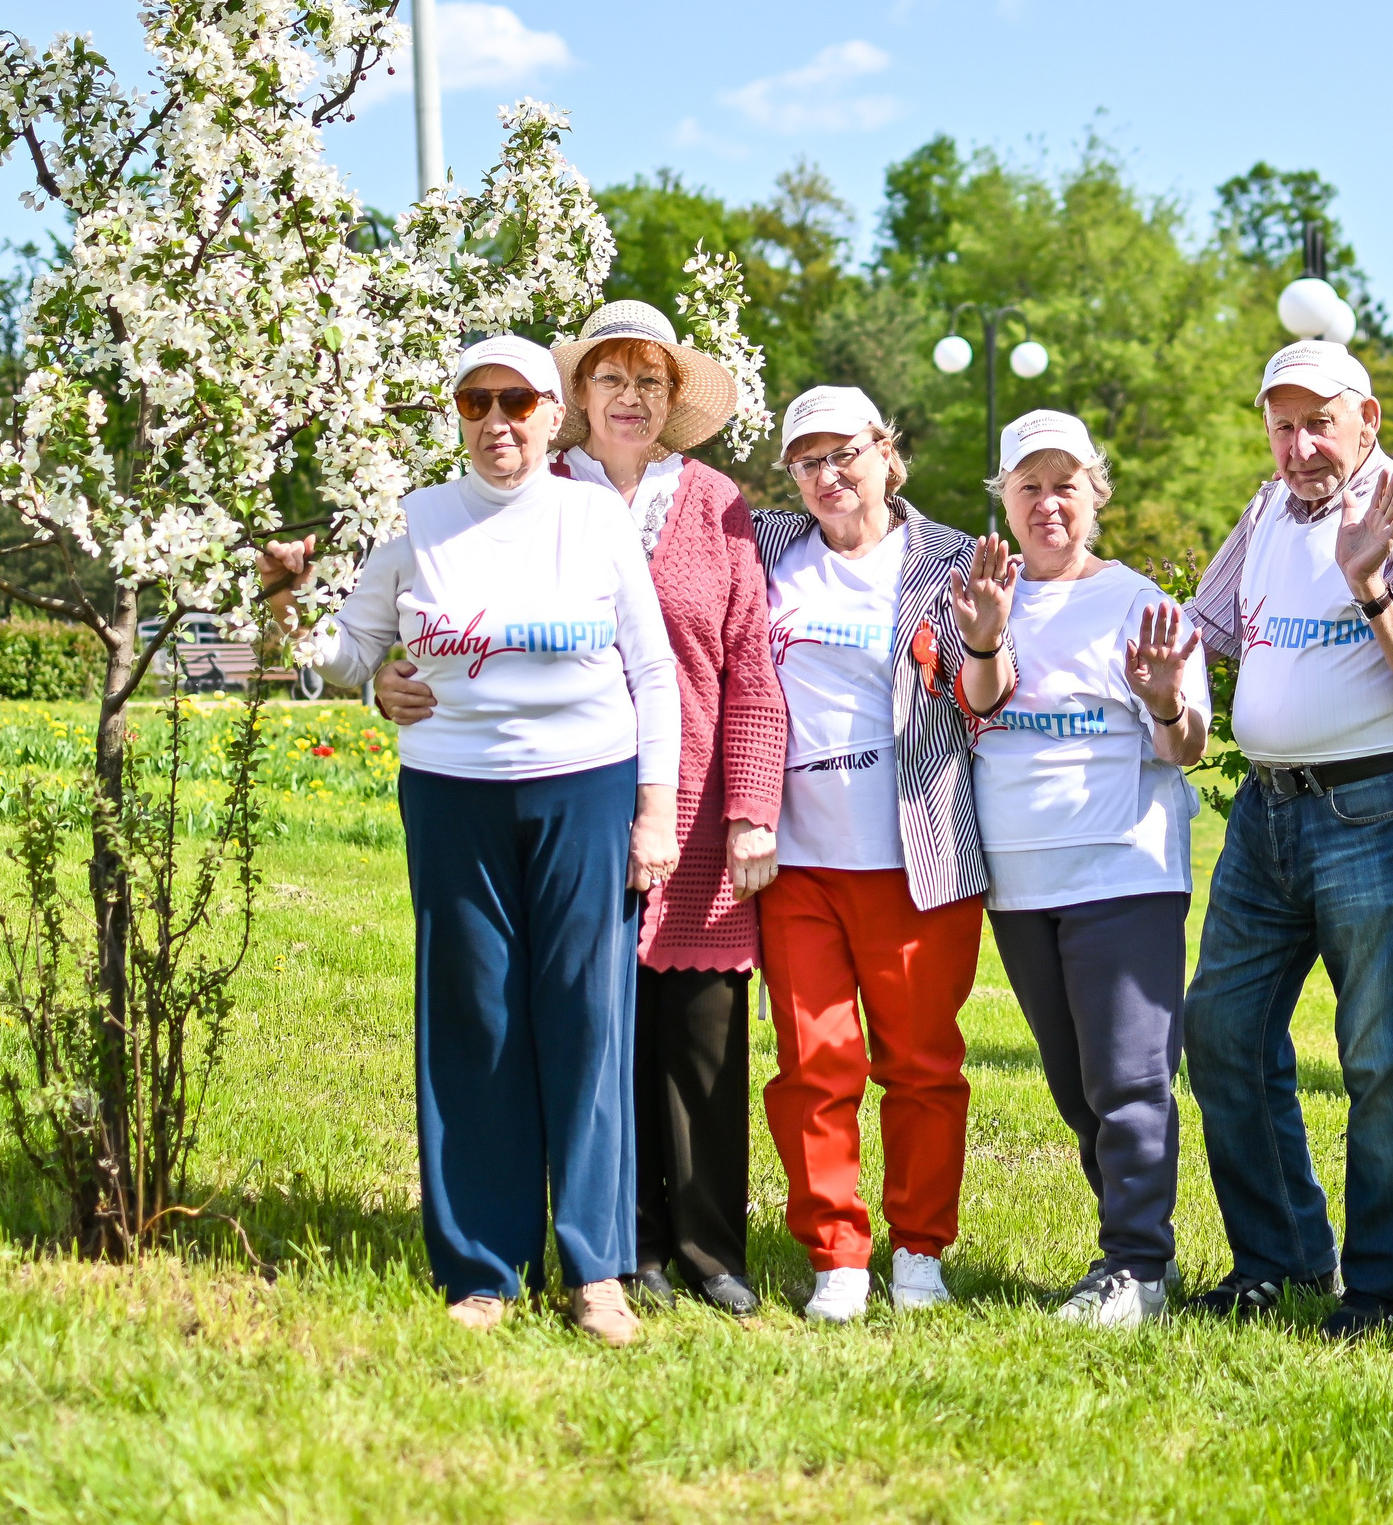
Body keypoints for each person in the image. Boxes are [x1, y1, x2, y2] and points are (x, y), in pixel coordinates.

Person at [258, 333, 678, 1348]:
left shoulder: (594, 519)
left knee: (586, 1021)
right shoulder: (416, 523)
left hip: (588, 784)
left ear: (552, 414)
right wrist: (291, 608)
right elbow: (348, 655)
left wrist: (656, 812)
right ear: (458, 414)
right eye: (477, 404)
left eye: (519, 404)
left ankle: (595, 1271)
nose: (498, 424)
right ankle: (483, 1266)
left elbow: (652, 669)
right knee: (473, 1020)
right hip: (453, 790)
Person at [374, 301, 787, 1319]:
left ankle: (687, 1250)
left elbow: (742, 665)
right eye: (612, 380)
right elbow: (420, 617)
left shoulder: (715, 504)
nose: (630, 398)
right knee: (521, 1020)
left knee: (677, 1036)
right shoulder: (517, 489)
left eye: (649, 382)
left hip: (664, 798)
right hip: (524, 782)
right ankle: (549, 1257)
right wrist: (381, 672)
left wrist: (743, 804)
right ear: (579, 402)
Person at [1179, 338, 1393, 1341]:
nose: (1300, 445)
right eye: (1282, 425)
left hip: (1376, 811)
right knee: (1220, 1029)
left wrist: (1371, 587)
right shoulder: (1266, 511)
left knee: (1382, 1058)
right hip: (1263, 812)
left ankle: (1383, 1291)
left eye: (1319, 422)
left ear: (1368, 419)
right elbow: (1199, 632)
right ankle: (1280, 1261)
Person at [951, 409, 1211, 1330]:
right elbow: (980, 702)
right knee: (1073, 1084)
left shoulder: (1141, 602)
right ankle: (1136, 1251)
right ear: (1006, 500)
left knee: (1130, 1078)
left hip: (1124, 870)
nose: (1048, 502)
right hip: (1021, 880)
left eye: (1067, 483)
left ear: (1096, 491)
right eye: (1030, 485)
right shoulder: (984, 590)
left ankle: (1135, 1263)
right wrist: (984, 637)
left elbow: (1184, 749)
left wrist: (1165, 697)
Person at [755, 384, 988, 1323]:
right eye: (807, 461)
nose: (828, 475)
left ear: (887, 453)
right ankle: (837, 1251)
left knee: (922, 1062)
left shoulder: (952, 558)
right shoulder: (767, 549)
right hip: (798, 854)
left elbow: (988, 694)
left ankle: (921, 1248)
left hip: (916, 849)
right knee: (815, 1060)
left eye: (844, 452)